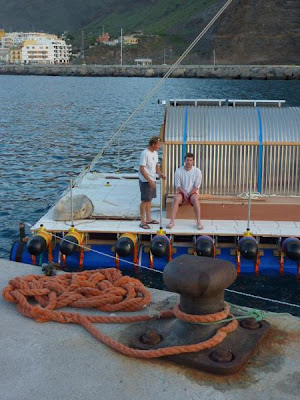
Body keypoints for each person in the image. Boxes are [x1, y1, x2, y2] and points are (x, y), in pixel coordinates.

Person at [167, 152, 203, 230]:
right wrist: (185, 194)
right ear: (184, 161)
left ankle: (198, 222)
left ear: (193, 161)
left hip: (193, 192)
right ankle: (172, 221)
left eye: (190, 160)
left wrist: (189, 194)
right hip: (182, 192)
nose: (189, 162)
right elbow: (178, 186)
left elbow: (197, 187)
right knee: (176, 199)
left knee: (196, 200)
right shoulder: (178, 171)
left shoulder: (197, 171)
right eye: (187, 160)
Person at [139, 136, 166, 229]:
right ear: (153, 144)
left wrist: (160, 174)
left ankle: (149, 219)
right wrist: (149, 181)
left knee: (150, 200)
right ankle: (142, 222)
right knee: (145, 200)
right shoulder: (145, 153)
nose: (159, 146)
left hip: (153, 179)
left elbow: (156, 166)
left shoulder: (155, 153)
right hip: (146, 181)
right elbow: (142, 169)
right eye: (158, 145)